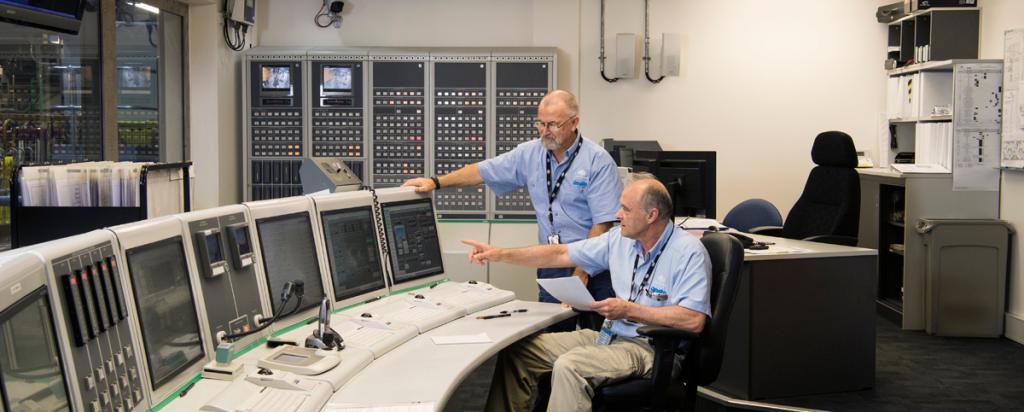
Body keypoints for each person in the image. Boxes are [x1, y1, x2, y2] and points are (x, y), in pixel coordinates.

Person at [461, 177, 711, 412]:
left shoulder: (688, 252)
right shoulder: (619, 240)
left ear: (651, 215)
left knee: (570, 367)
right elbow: (560, 254)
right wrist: (499, 253)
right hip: (609, 336)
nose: (616, 214)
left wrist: (628, 310)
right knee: (519, 353)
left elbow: (694, 320)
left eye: (625, 209)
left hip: (651, 349)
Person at [403, 90, 623, 330]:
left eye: (553, 124)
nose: (545, 131)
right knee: (550, 338)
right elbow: (482, 171)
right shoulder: (530, 153)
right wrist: (436, 183)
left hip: (594, 266)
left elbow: (602, 224)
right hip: (551, 264)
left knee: (599, 340)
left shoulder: (597, 161)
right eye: (541, 123)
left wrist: (582, 271)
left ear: (574, 123)